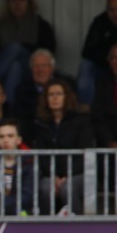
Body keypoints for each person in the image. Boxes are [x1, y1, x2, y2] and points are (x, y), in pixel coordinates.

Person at [0, 0, 57, 103]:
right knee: (15, 66)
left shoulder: (40, 25)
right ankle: (10, 111)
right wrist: (6, 59)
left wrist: (22, 49)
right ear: (8, 3)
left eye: (22, 0)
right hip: (6, 75)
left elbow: (49, 52)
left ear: (29, 2)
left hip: (32, 70)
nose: (17, 4)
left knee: (15, 48)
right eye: (13, 0)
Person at [29, 77, 95, 214]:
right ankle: (46, 224)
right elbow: (41, 155)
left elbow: (84, 154)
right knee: (45, 188)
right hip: (50, 175)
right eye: (51, 94)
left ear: (67, 97)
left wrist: (67, 175)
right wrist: (53, 176)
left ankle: (76, 224)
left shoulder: (81, 121)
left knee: (67, 189)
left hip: (78, 173)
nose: (55, 98)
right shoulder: (40, 124)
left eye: (59, 94)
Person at [13, 48, 73, 122]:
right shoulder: (22, 90)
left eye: (44, 65)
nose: (40, 70)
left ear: (52, 68)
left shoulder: (67, 84)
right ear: (31, 69)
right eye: (36, 66)